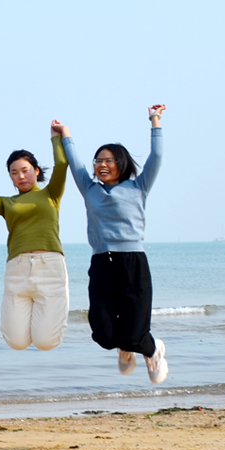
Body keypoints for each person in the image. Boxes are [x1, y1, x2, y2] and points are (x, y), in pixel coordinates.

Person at [62, 105, 170, 384]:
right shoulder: (90, 189)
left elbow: (157, 156)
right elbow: (75, 163)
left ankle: (152, 350)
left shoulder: (139, 186)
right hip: (102, 263)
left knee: (135, 332)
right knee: (103, 335)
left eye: (109, 160)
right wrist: (66, 135)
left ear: (121, 163)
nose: (102, 165)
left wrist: (155, 120)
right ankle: (124, 347)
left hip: (133, 262)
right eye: (98, 160)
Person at [0, 122, 70, 352]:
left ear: (36, 170)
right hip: (18, 269)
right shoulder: (7, 203)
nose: (20, 176)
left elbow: (62, 164)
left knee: (45, 342)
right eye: (14, 173)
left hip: (50, 267)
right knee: (16, 341)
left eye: (25, 170)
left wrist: (57, 138)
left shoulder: (51, 193)